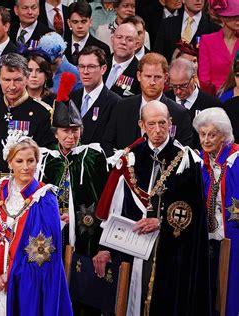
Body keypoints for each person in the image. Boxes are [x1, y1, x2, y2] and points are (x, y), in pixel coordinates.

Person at [95, 100, 211, 316]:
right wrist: (106, 246)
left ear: (170, 123)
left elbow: (193, 211)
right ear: (141, 125)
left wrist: (160, 222)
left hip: (169, 249)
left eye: (162, 123)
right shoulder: (131, 156)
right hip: (130, 246)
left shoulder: (185, 159)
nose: (157, 130)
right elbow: (116, 206)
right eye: (151, 124)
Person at [0, 137, 73, 316]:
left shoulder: (45, 199)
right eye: (19, 161)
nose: (25, 167)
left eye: (31, 161)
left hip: (29, 282)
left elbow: (43, 253)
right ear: (10, 162)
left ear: (37, 162)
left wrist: (10, 275)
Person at [38, 83, 108, 315]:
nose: (71, 135)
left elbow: (104, 201)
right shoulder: (44, 159)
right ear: (55, 132)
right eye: (66, 130)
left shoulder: (93, 157)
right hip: (50, 235)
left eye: (75, 129)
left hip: (85, 239)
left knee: (81, 296)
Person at [0, 53, 56, 177]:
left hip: (21, 184)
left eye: (17, 80)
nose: (12, 86)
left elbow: (44, 159)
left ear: (26, 78)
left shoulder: (41, 113)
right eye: (6, 80)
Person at [192, 108, 239, 316]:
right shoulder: (199, 162)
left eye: (212, 134)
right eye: (202, 134)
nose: (206, 139)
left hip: (232, 238)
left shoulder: (236, 160)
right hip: (207, 239)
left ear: (224, 136)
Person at [102, 52, 193, 157]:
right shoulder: (122, 107)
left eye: (157, 77)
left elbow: (184, 153)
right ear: (139, 76)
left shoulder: (180, 113)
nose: (152, 82)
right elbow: (107, 143)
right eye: (148, 76)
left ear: (166, 78)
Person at [165, 58, 222, 149]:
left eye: (183, 85)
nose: (178, 91)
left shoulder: (212, 105)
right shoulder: (164, 101)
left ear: (193, 77)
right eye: (174, 86)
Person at [70, 46, 121, 144]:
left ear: (103, 69)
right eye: (81, 66)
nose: (85, 72)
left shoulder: (115, 102)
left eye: (91, 66)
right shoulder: (71, 98)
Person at [154, 0, 220, 63]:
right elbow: (158, 56)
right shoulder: (167, 24)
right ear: (183, 0)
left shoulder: (215, 30)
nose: (198, 0)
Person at [198, 0, 239, 95]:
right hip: (216, 97)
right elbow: (204, 79)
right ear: (223, 18)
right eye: (234, 17)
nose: (238, 21)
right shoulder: (207, 41)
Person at [65, 1, 111, 66]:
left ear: (90, 22)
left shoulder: (102, 48)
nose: (79, 26)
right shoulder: (61, 46)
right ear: (69, 23)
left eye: (83, 21)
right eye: (75, 22)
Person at [103, 22, 141, 98]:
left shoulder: (140, 72)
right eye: (119, 37)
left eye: (129, 40)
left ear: (136, 45)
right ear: (112, 40)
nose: (123, 42)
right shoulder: (100, 64)